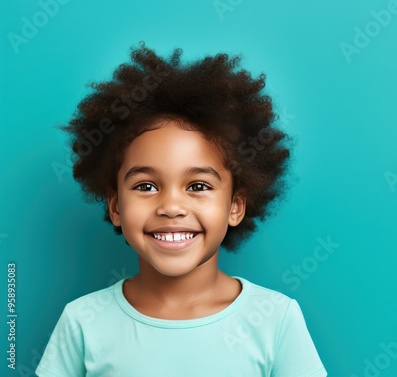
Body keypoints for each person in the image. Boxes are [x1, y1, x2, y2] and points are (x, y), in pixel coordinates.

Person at [36, 42, 327, 377]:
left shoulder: (276, 319)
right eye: (146, 186)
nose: (172, 207)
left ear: (235, 206)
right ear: (116, 206)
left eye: (198, 186)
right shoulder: (82, 321)